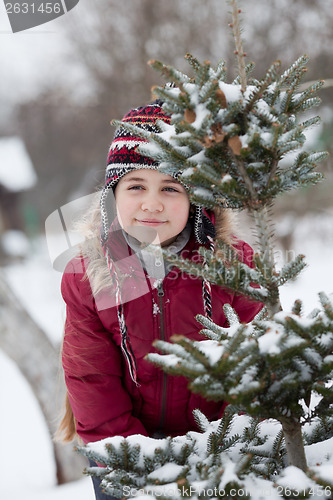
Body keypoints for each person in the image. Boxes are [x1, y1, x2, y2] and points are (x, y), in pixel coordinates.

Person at [58, 100, 262, 499]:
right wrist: (138, 457)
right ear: (113, 195)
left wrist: (227, 441)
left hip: (221, 440)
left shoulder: (231, 265)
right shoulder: (88, 275)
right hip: (123, 441)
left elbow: (256, 360)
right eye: (136, 186)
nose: (152, 204)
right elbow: (90, 377)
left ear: (197, 201)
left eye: (170, 188)